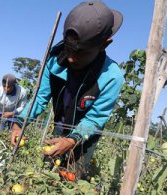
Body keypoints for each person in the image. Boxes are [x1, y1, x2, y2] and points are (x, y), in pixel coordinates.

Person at [11, 0, 124, 178]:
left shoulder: (111, 77)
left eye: (81, 53)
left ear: (104, 44)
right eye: (69, 49)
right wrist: (19, 123)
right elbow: (39, 99)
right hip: (59, 129)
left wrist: (72, 140)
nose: (71, 58)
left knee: (71, 179)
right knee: (46, 174)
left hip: (84, 139)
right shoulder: (55, 62)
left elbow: (95, 119)